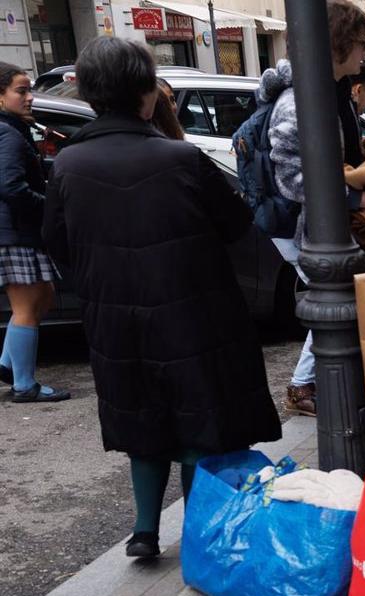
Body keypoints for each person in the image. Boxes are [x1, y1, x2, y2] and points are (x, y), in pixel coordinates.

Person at [44, 37, 281, 557]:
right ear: (147, 92)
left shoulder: (68, 164)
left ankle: (145, 530)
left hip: (114, 315)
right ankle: (197, 534)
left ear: (88, 93)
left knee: (142, 419)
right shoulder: (181, 158)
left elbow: (57, 242)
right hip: (193, 311)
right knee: (200, 421)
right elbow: (237, 225)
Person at [262, 0, 365, 417]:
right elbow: (292, 178)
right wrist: (360, 198)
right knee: (338, 317)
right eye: (359, 43)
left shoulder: (334, 92)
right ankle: (308, 388)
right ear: (337, 44)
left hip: (337, 232)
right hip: (321, 237)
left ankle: (328, 392)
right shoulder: (300, 102)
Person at [0, 63, 67, 402]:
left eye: (29, 90)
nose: (29, 97)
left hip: (17, 231)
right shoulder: (7, 133)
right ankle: (24, 384)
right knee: (27, 305)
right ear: (0, 96)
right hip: (14, 232)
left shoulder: (13, 129)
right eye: (20, 91)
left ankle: (8, 365)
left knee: (43, 296)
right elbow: (11, 187)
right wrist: (48, 206)